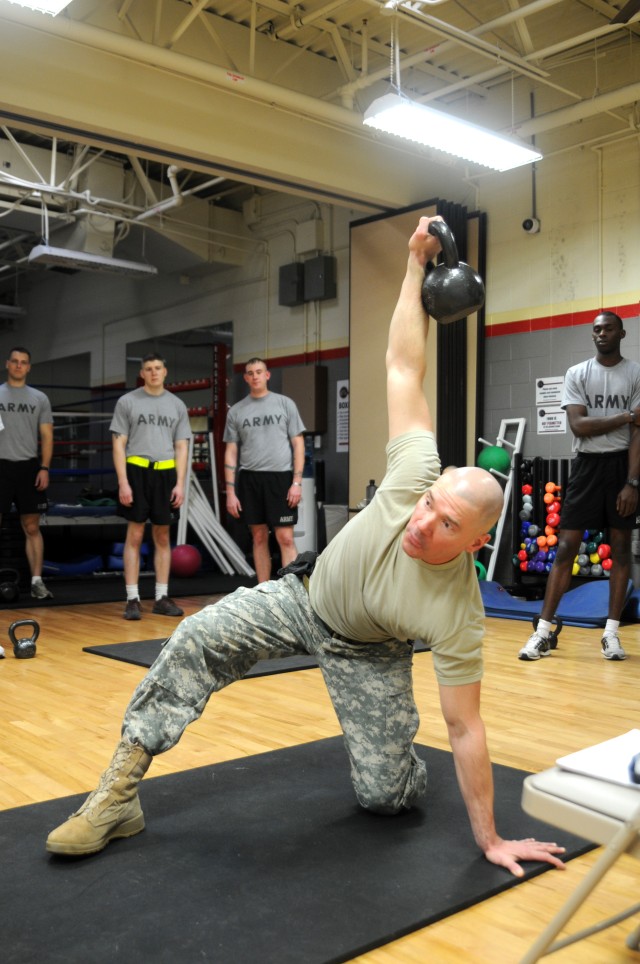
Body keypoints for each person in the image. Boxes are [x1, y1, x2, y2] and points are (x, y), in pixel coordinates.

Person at [46, 216, 565, 879]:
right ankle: (114, 797)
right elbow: (404, 364)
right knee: (193, 639)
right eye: (430, 502)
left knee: (388, 799)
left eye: (444, 524)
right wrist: (413, 265)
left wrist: (491, 839)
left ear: (475, 544)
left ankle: (399, 769)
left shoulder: (459, 614)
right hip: (301, 598)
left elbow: (466, 728)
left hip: (369, 652)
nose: (422, 521)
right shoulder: (414, 475)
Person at [519, 310, 640, 662]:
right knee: (566, 546)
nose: (601, 334)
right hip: (586, 465)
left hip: (622, 466)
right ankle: (542, 633)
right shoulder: (577, 374)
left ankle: (611, 635)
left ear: (622, 332)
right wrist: (626, 416)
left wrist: (632, 483)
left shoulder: (635, 373)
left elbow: (637, 434)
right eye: (596, 330)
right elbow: (579, 427)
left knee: (619, 550)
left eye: (608, 329)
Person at [110, 352, 192, 620]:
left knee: (163, 537)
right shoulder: (127, 401)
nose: (154, 372)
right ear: (142, 373)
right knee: (134, 535)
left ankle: (161, 597)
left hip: (166, 474)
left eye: (158, 367)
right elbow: (118, 444)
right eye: (148, 368)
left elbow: (182, 446)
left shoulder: (177, 405)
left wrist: (180, 484)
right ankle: (132, 598)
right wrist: (123, 482)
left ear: (165, 371)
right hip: (136, 472)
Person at [223, 357, 306, 582]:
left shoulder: (285, 404)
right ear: (246, 378)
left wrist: (296, 483)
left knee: (285, 537)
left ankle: (294, 593)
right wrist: (230, 492)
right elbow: (231, 452)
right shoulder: (237, 411)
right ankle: (264, 592)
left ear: (267, 375)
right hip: (250, 479)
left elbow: (298, 444)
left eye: (259, 371)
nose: (255, 376)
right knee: (258, 537)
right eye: (251, 373)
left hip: (280, 478)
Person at [0, 346, 54, 599]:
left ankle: (36, 582)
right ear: (7, 364)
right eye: (15, 361)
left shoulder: (39, 398)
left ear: (29, 367)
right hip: (1, 465)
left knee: (32, 526)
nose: (19, 365)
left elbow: (46, 435)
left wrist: (44, 467)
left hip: (29, 467)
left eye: (24, 362)